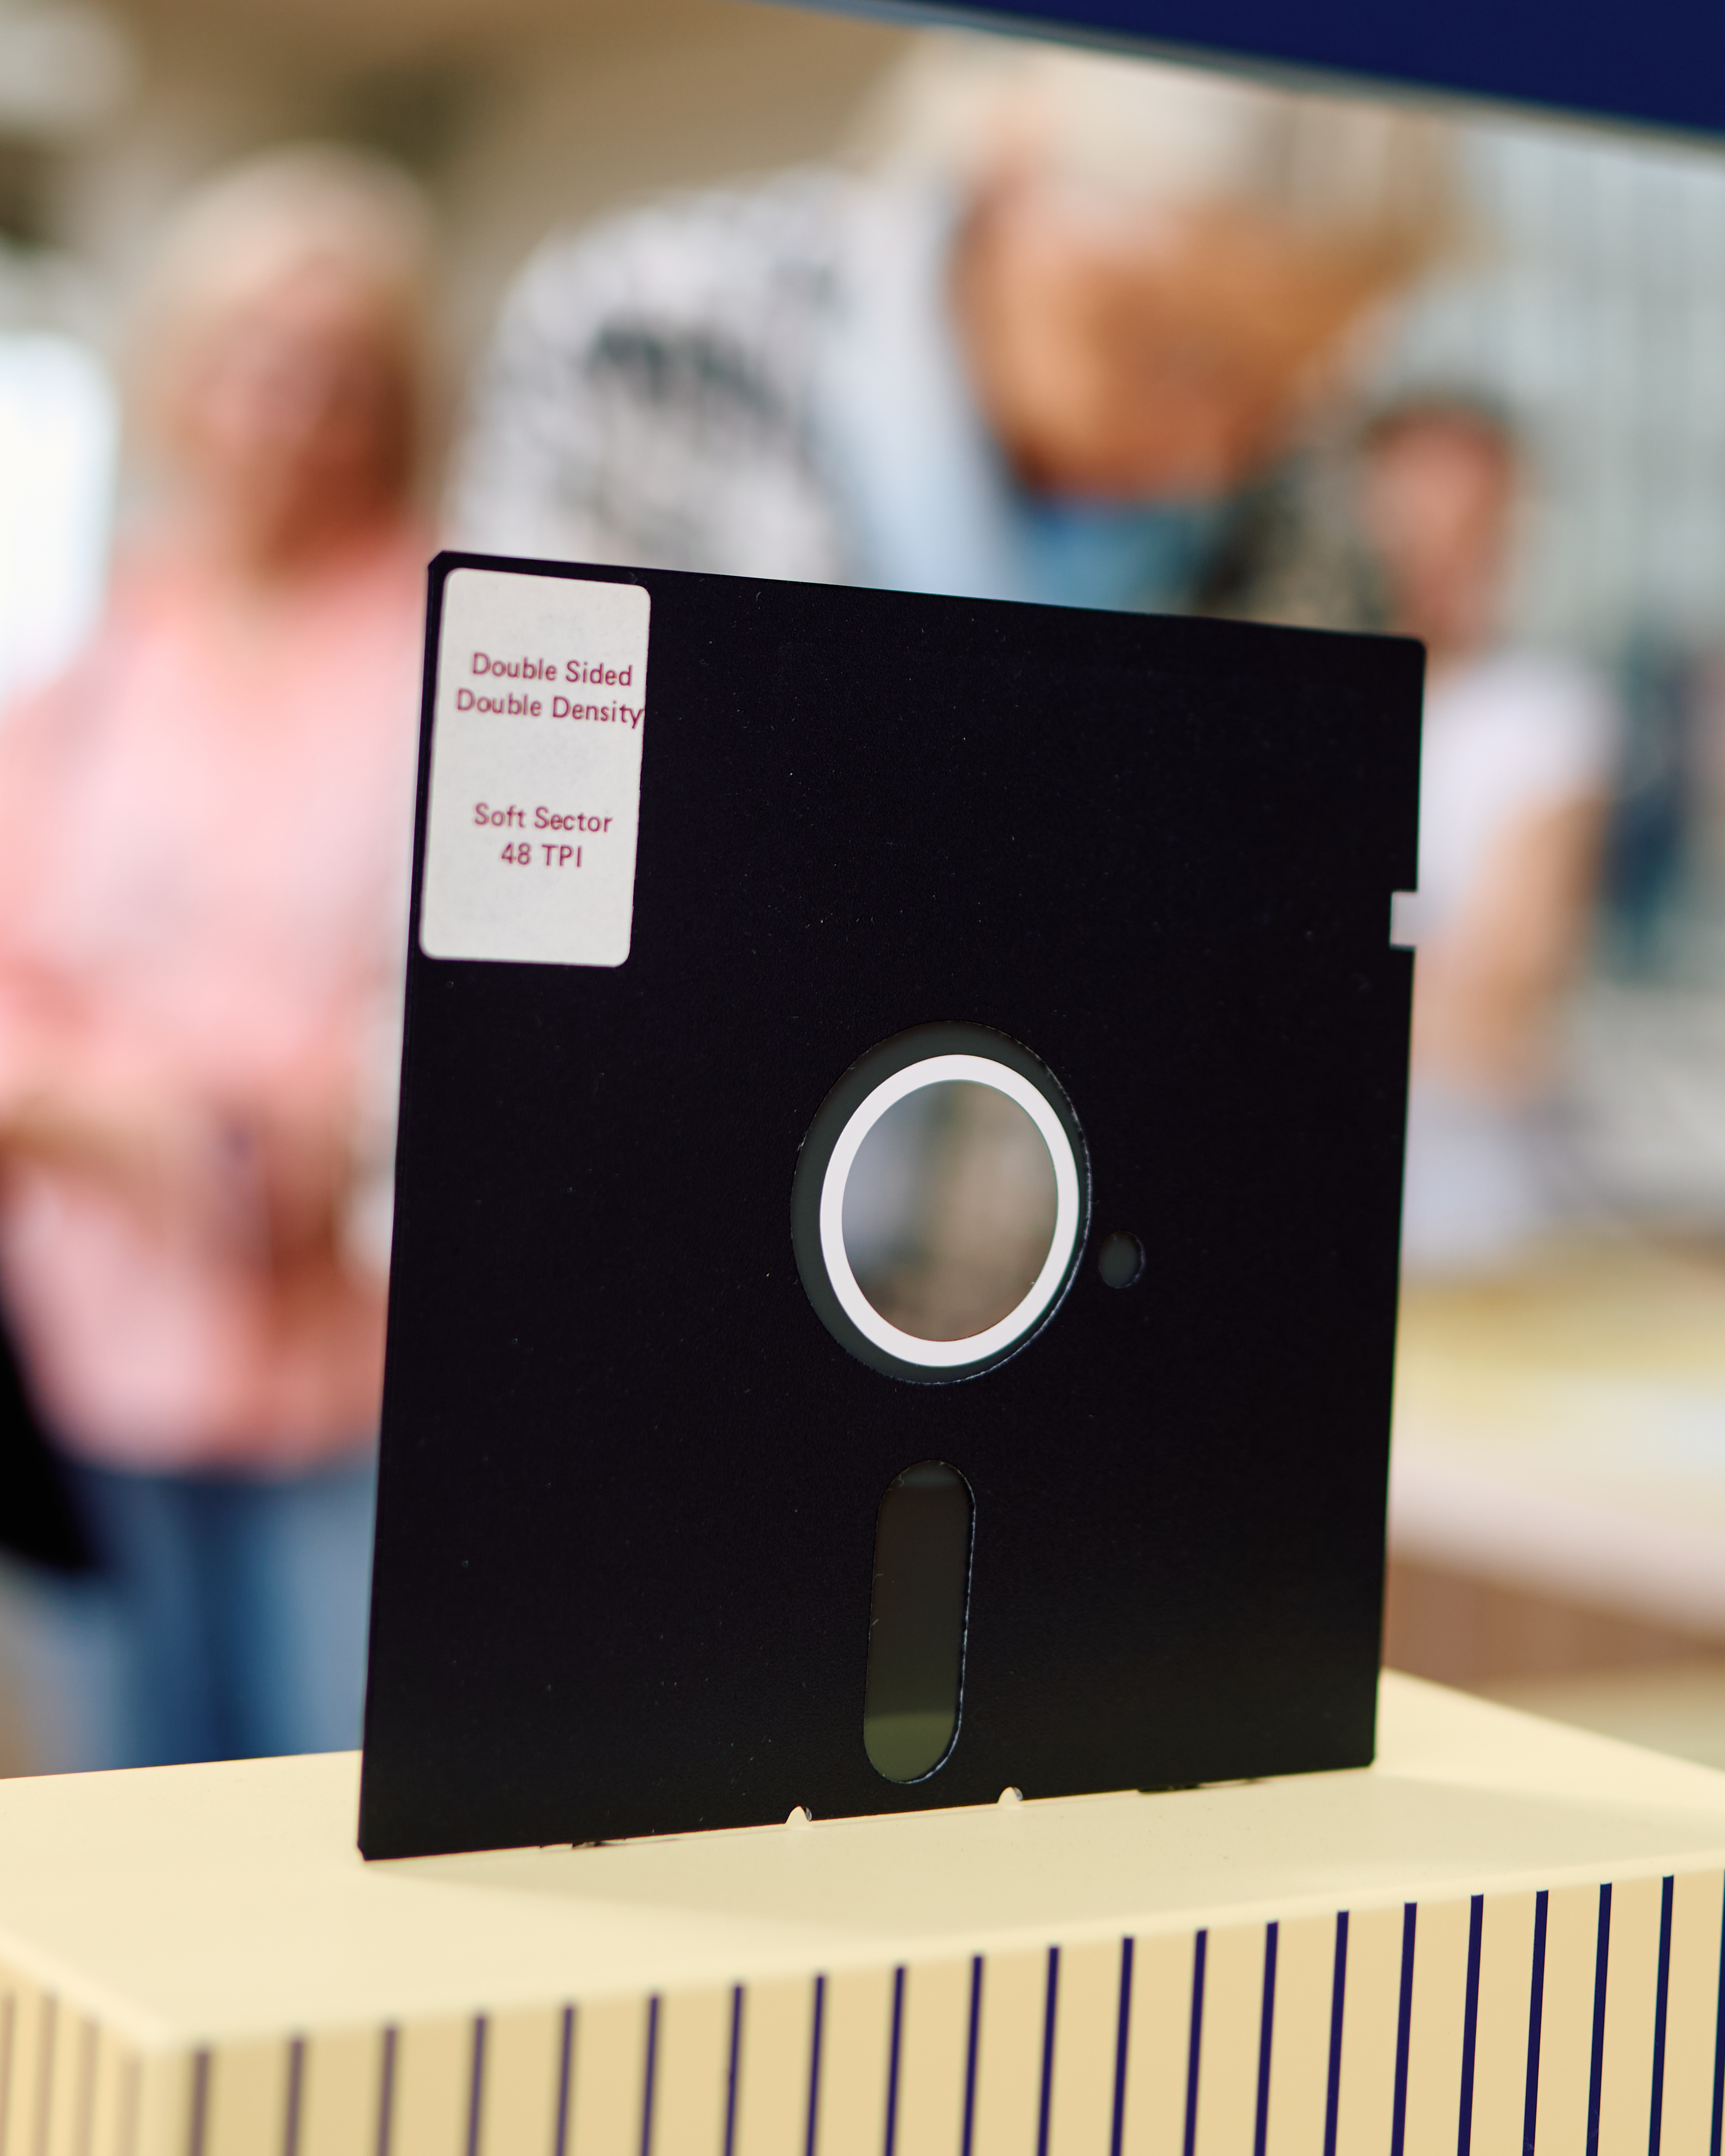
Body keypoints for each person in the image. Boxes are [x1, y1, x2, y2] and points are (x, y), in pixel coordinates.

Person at [0, 147, 433, 1767]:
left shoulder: (470, 639)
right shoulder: (92, 655)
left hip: (369, 1358)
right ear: (179, 374)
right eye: (253, 356)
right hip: (102, 1339)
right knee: (126, 1805)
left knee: (334, 1791)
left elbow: (537, 968)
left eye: (339, 373)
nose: (290, 409)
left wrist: (355, 1123)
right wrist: (100, 1113)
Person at [452, 37, 1453, 614]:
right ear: (1010, 163)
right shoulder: (648, 343)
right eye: (1169, 353)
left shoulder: (1313, 505)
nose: (1206, 453)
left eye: (1281, 391)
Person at [1358, 398, 1621, 1272]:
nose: (1444, 557)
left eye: (1474, 528)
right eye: (1415, 524)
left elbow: (1500, 1016)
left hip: (1476, 1219)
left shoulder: (1544, 718)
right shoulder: (1286, 707)